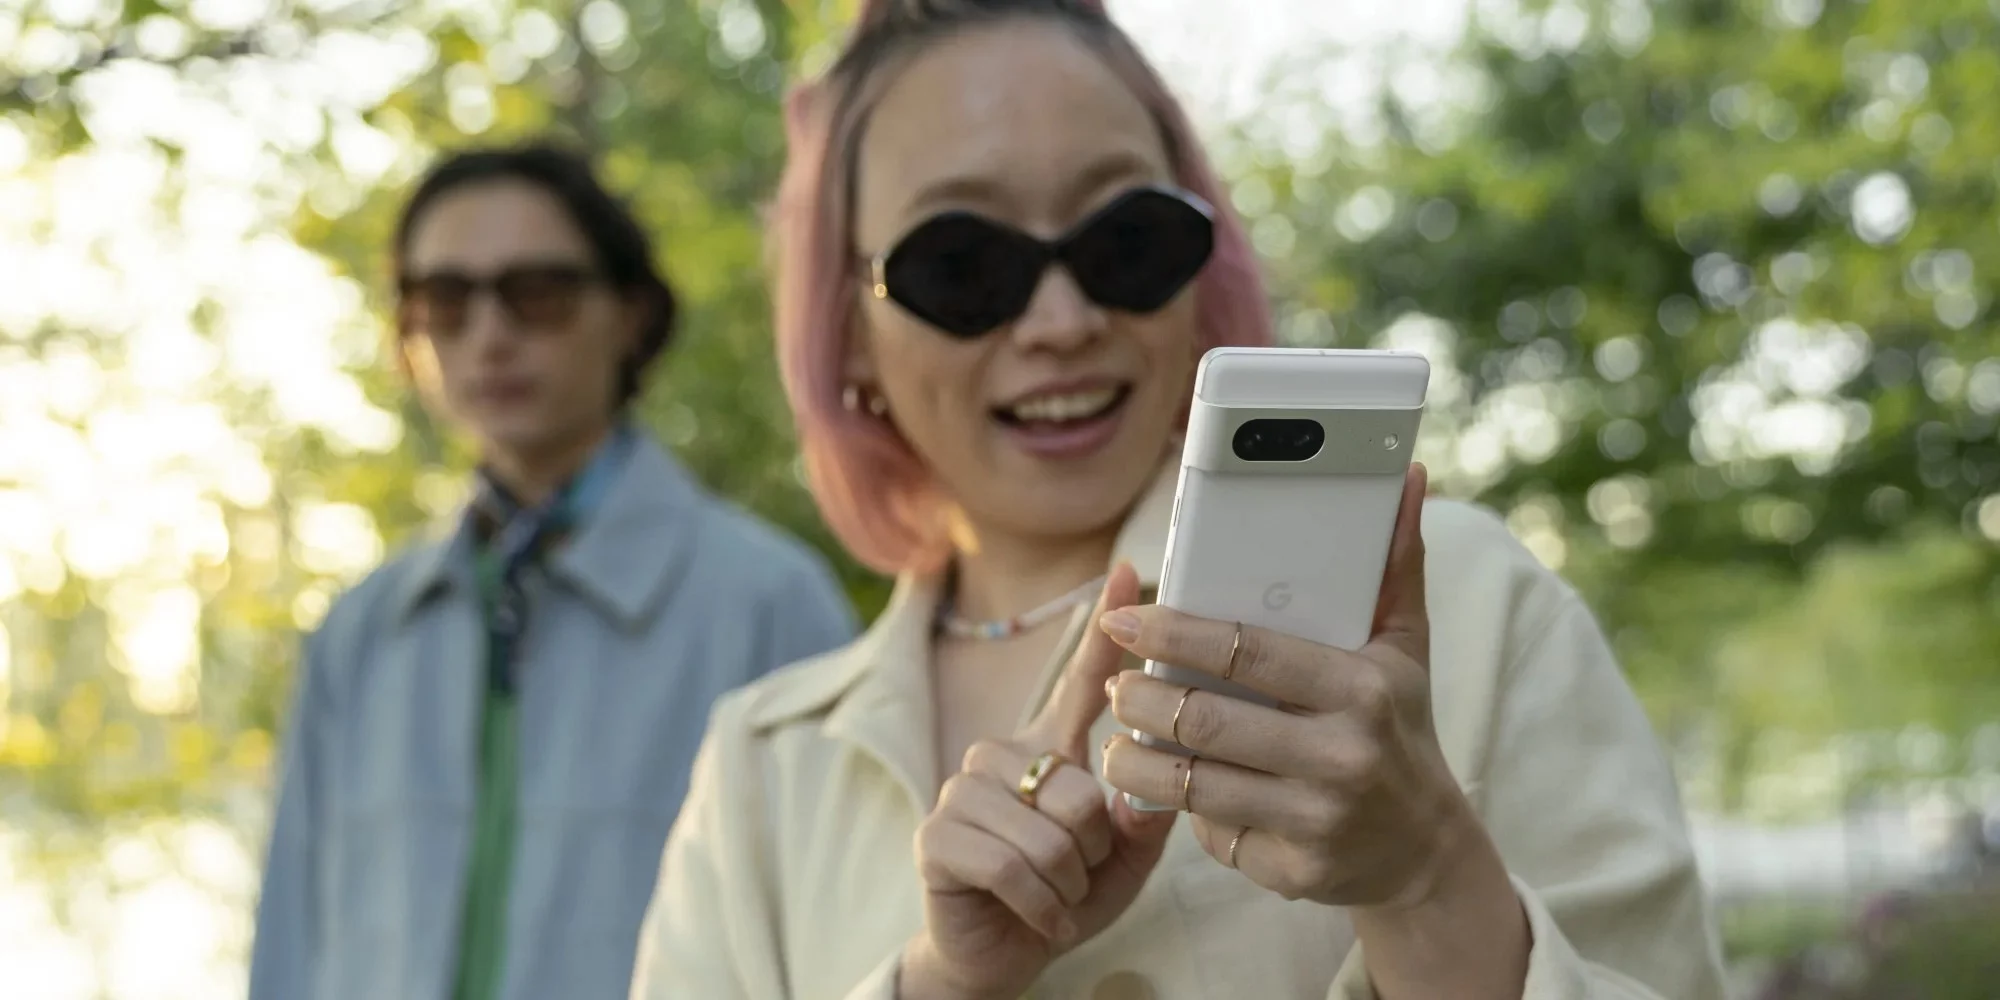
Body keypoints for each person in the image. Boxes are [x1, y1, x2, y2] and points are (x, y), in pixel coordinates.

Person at [631, 1, 1728, 998]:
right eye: (962, 264)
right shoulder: (764, 768)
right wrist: (935, 985)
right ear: (848, 329)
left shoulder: (1468, 601)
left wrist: (1425, 877)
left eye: (1128, 241)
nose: (1061, 321)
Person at [247, 142, 857, 1000]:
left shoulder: (770, 606)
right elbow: (288, 952)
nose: (490, 335)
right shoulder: (360, 633)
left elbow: (840, 945)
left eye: (538, 293)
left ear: (631, 314)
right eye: (446, 300)